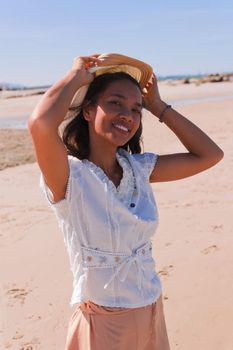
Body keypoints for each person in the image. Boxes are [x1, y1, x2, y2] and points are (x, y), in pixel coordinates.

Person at [28, 53, 224, 350]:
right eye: (115, 103)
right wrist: (76, 76)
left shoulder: (140, 169)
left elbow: (210, 155)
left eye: (136, 109)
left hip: (151, 310)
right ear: (88, 111)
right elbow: (41, 124)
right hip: (103, 324)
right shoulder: (70, 177)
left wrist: (158, 107)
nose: (128, 115)